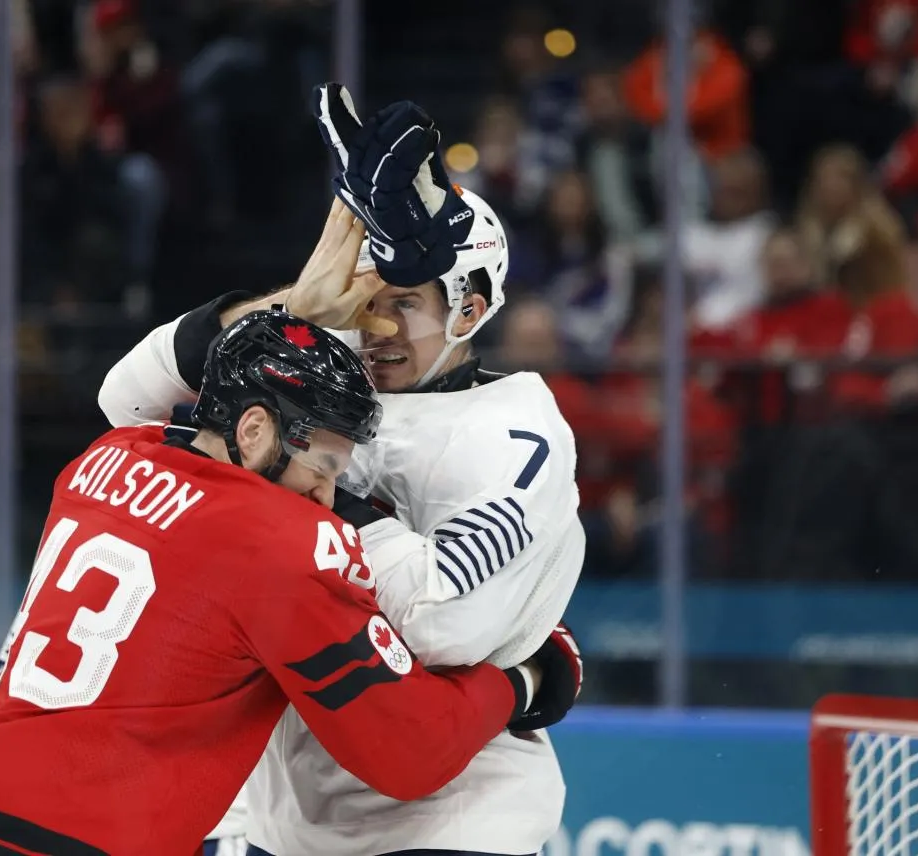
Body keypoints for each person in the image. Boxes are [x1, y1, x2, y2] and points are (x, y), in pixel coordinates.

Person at [0, 310, 545, 856]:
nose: (325, 496)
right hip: (64, 838)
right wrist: (521, 679)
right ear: (255, 429)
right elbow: (410, 751)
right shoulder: (286, 545)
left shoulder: (103, 460)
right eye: (321, 465)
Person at [99, 192, 586, 854]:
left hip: (452, 816)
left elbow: (438, 623)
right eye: (366, 298)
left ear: (468, 310)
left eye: (403, 304)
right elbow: (126, 403)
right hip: (291, 816)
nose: (375, 327)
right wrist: (295, 306)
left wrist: (285, 486)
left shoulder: (515, 432)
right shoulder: (313, 374)